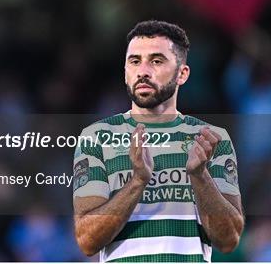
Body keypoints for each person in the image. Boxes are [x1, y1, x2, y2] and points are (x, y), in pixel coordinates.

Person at [73, 20, 244, 262]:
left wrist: (199, 175)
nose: (143, 71)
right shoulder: (97, 138)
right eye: (134, 61)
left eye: (156, 61)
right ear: (125, 72)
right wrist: (137, 181)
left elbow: (228, 240)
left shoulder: (211, 139)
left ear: (182, 73)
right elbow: (87, 241)